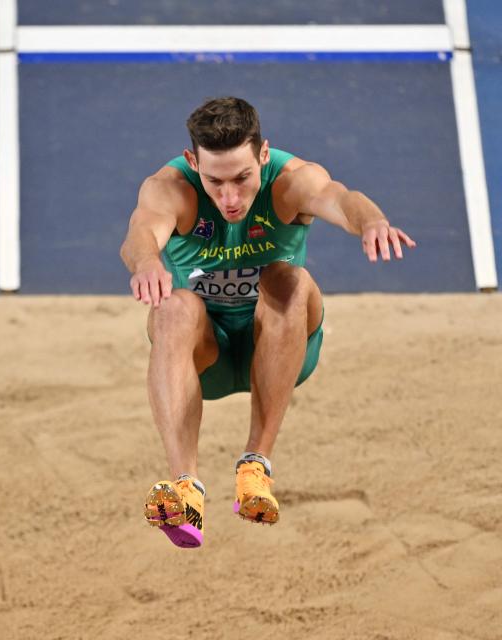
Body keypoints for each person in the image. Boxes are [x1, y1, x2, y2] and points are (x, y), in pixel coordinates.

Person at [120, 96, 416, 549]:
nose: (230, 198)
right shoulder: (170, 188)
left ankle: (255, 469)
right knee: (173, 307)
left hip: (281, 343)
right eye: (214, 182)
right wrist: (145, 263)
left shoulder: (292, 181)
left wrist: (372, 221)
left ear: (263, 155)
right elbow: (142, 232)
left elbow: (340, 197)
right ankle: (186, 491)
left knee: (289, 279)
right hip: (207, 355)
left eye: (242, 178)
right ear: (191, 162)